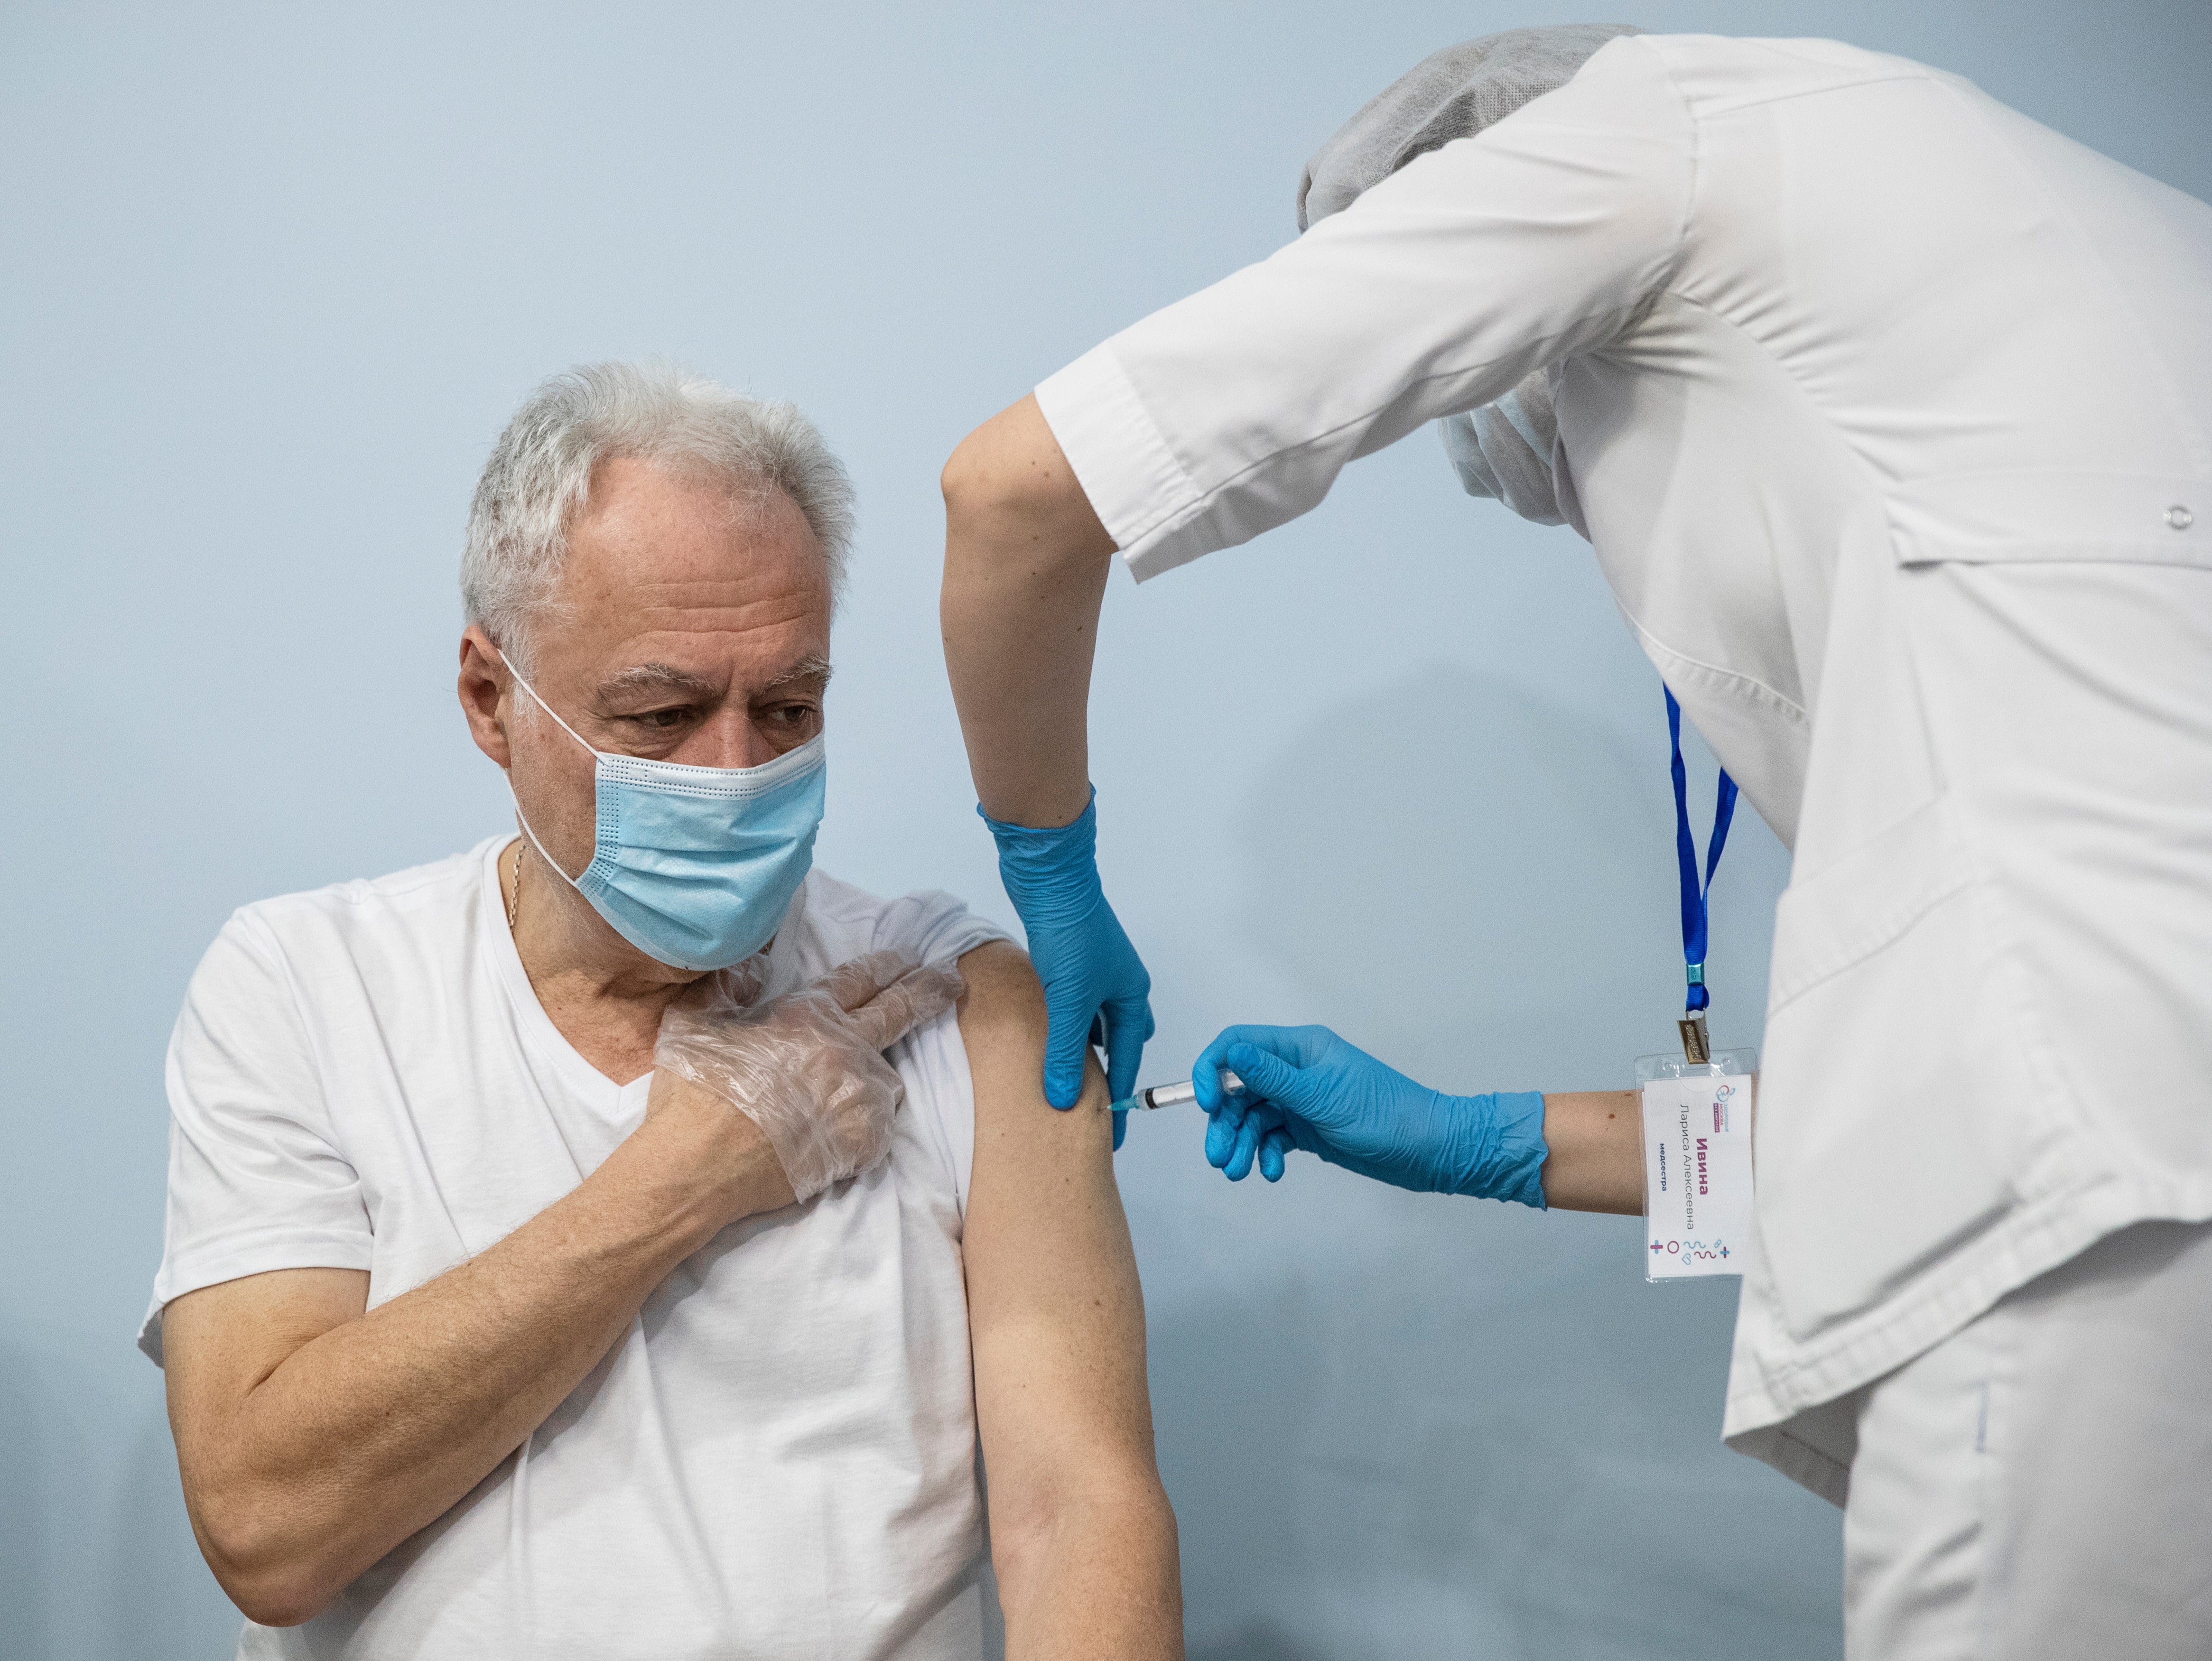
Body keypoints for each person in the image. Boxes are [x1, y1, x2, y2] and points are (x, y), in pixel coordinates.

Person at [939, 24, 2212, 1659]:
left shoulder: (1655, 138)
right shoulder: (2081, 252)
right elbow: (1966, 1069)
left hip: (2104, 1226)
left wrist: (1052, 871)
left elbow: (1013, 496)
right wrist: (1479, 1138)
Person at [147, 362, 1182, 1660]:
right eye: (663, 714)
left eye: (790, 708)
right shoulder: (306, 987)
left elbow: (1078, 1513)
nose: (737, 773)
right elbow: (265, 1526)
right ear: (490, 698)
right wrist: (684, 1177)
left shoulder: (956, 999)